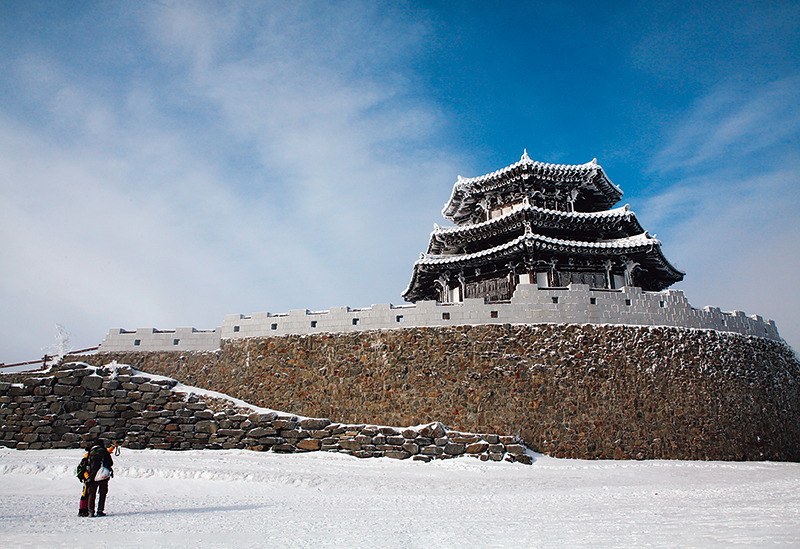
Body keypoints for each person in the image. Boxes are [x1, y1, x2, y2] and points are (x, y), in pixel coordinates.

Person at [84, 439, 114, 517]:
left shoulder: (90, 452)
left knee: (91, 493)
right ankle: (100, 510)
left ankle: (91, 511)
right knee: (102, 493)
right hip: (102, 475)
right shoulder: (104, 451)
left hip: (92, 475)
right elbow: (110, 463)